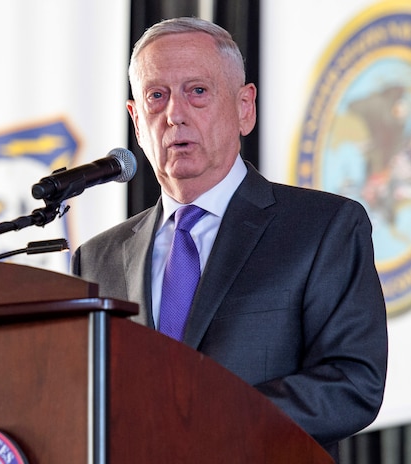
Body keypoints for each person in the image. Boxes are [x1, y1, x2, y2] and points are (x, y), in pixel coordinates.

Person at [72, 16, 387, 460]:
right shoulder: (96, 259)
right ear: (136, 122)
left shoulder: (322, 228)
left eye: (197, 91)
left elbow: (352, 383)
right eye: (156, 96)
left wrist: (206, 422)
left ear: (245, 107)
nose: (175, 114)